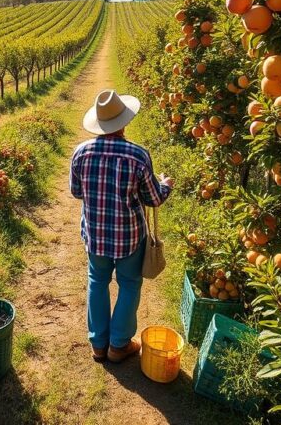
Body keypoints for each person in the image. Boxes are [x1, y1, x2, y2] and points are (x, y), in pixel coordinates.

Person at [70, 89, 174, 364]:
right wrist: (166, 184)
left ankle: (98, 344)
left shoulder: (81, 153)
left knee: (97, 281)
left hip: (95, 234)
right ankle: (119, 344)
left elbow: (76, 192)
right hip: (129, 237)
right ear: (123, 122)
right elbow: (153, 198)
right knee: (129, 283)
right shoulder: (137, 155)